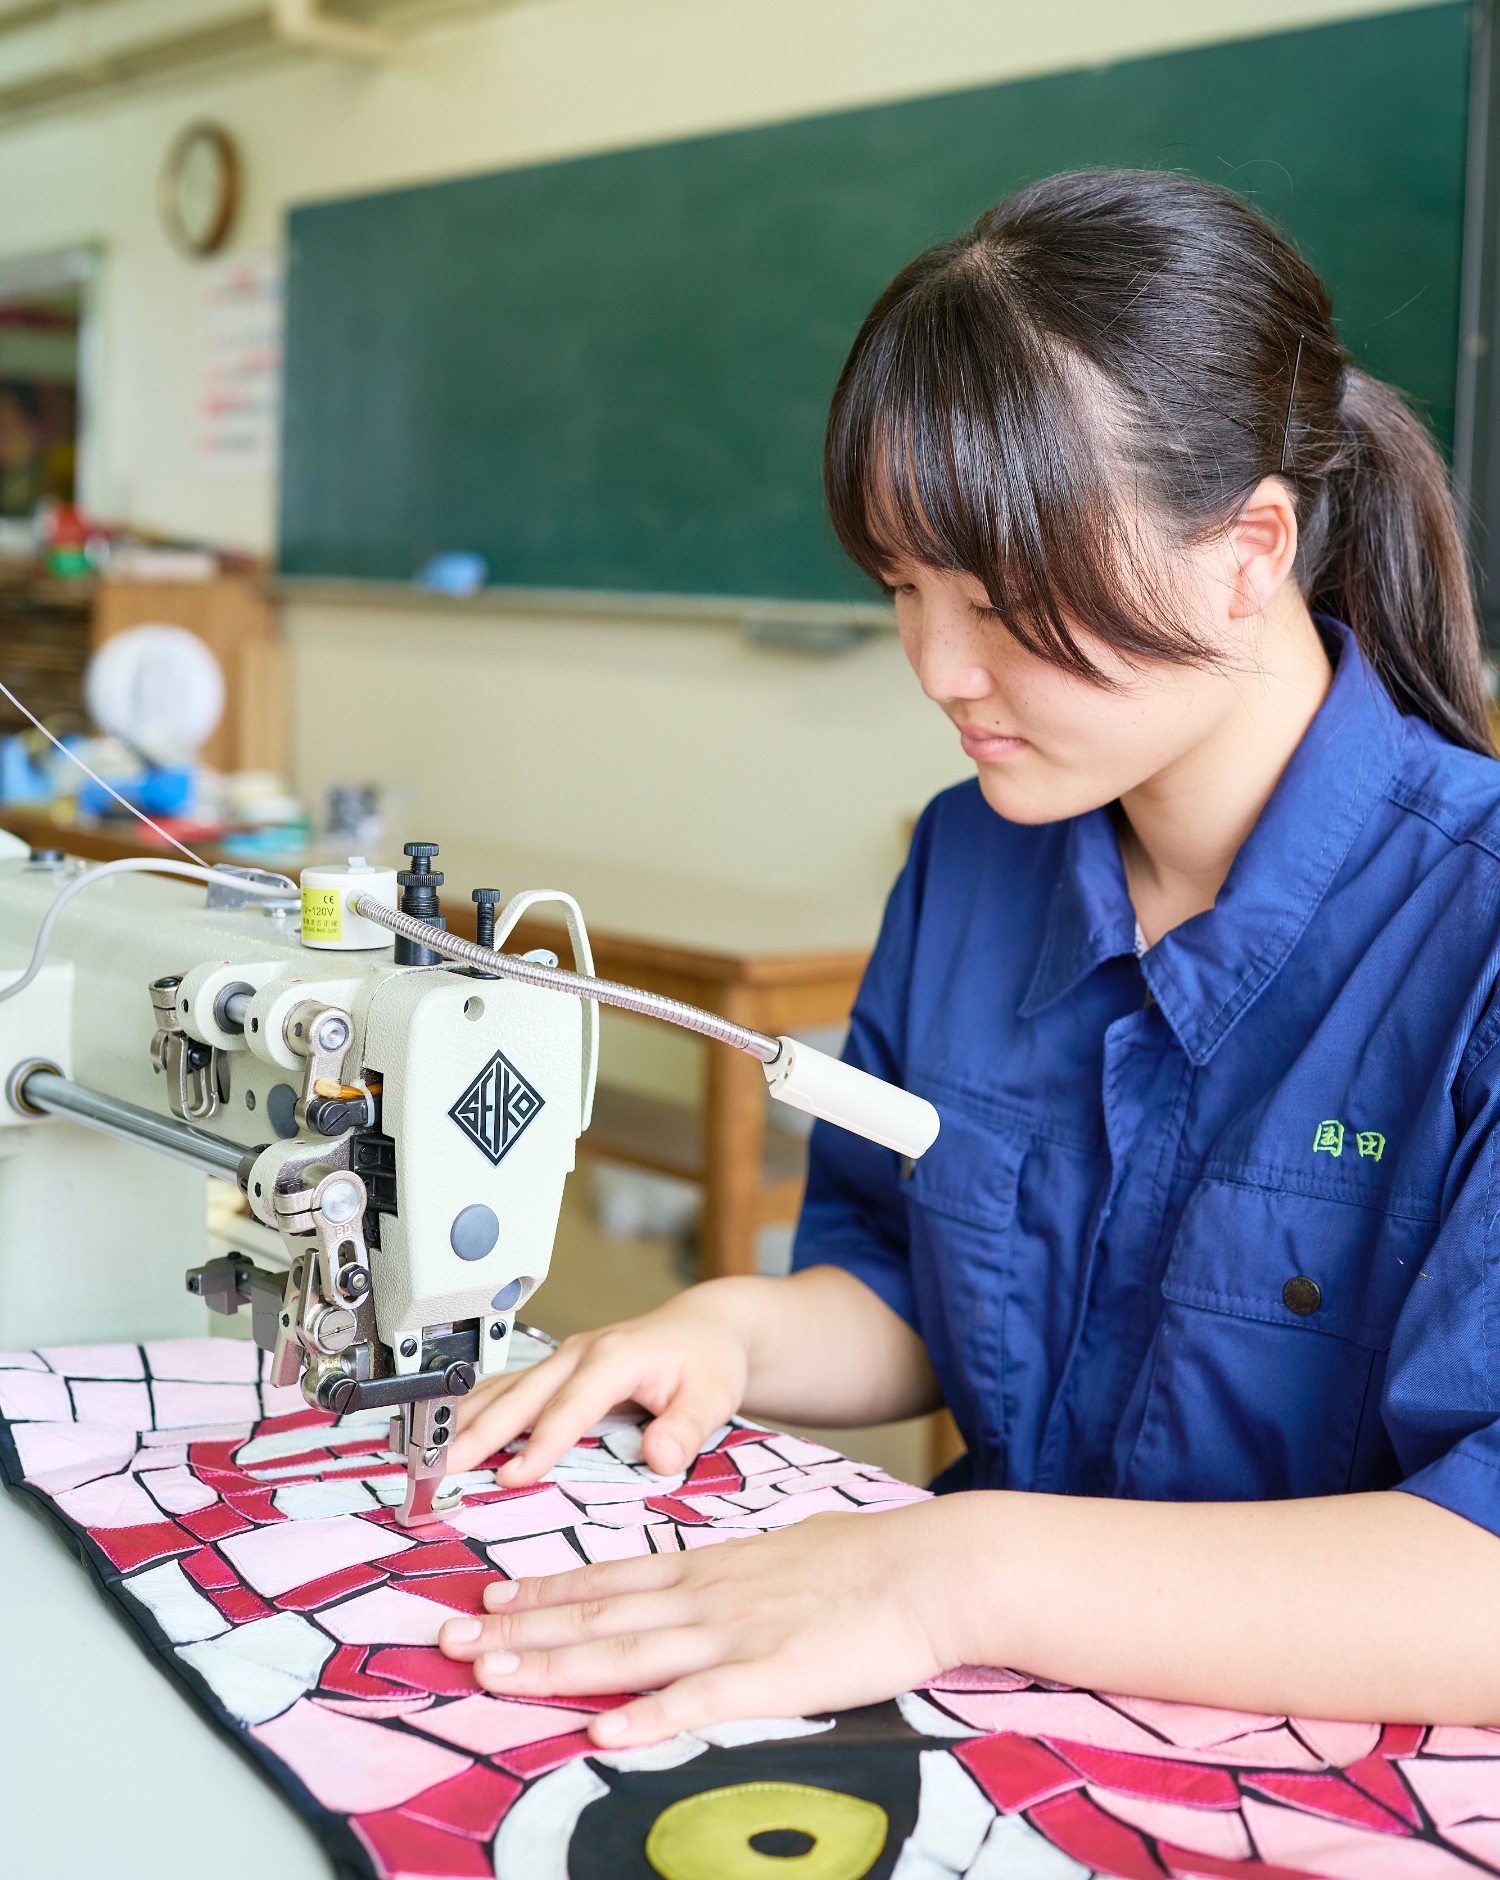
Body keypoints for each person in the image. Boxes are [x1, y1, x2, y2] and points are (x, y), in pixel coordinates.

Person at [438, 170, 1500, 1744]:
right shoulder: (970, 856)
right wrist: (727, 1327)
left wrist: (950, 1570)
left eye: (1004, 598)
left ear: (1249, 548)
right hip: (997, 1730)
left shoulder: (1467, 935)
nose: (939, 667)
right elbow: (909, 1289)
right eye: (901, 589)